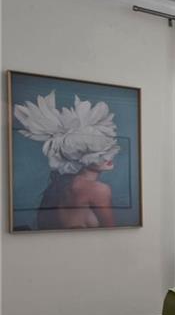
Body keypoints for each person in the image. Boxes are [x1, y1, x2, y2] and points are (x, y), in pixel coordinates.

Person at [14, 91, 120, 229]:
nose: (109, 156)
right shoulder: (99, 190)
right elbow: (111, 234)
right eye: (98, 153)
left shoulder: (61, 185)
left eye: (109, 148)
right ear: (76, 157)